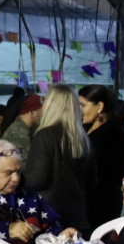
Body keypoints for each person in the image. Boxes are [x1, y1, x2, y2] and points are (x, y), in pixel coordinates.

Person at [24, 85, 95, 232]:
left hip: (50, 216)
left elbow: (36, 180)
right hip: (78, 214)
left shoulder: (44, 136)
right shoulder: (83, 139)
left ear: (51, 105)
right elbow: (92, 182)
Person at [0, 141, 66, 244]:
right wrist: (6, 230)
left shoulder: (24, 191)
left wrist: (62, 234)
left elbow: (52, 224)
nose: (16, 179)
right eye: (8, 173)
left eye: (18, 172)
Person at [79, 85, 124, 230]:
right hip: (88, 200)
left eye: (83, 105)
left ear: (100, 106)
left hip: (102, 202)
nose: (79, 109)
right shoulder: (86, 127)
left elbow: (110, 171)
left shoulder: (114, 132)